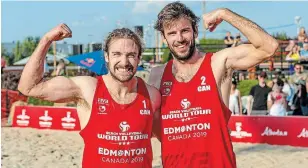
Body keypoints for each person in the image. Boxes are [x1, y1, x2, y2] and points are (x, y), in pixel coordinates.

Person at [148, 2, 278, 168]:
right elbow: (156, 130)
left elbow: (269, 47)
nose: (179, 38)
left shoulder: (217, 63)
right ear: (164, 38)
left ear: (195, 31)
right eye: (172, 33)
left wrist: (225, 14)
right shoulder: (157, 76)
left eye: (185, 30)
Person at [18, 24, 161, 168]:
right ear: (106, 56)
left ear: (139, 58)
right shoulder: (88, 89)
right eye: (116, 54)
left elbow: (168, 137)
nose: (124, 62)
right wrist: (46, 40)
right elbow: (29, 87)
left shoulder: (151, 95)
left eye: (131, 55)